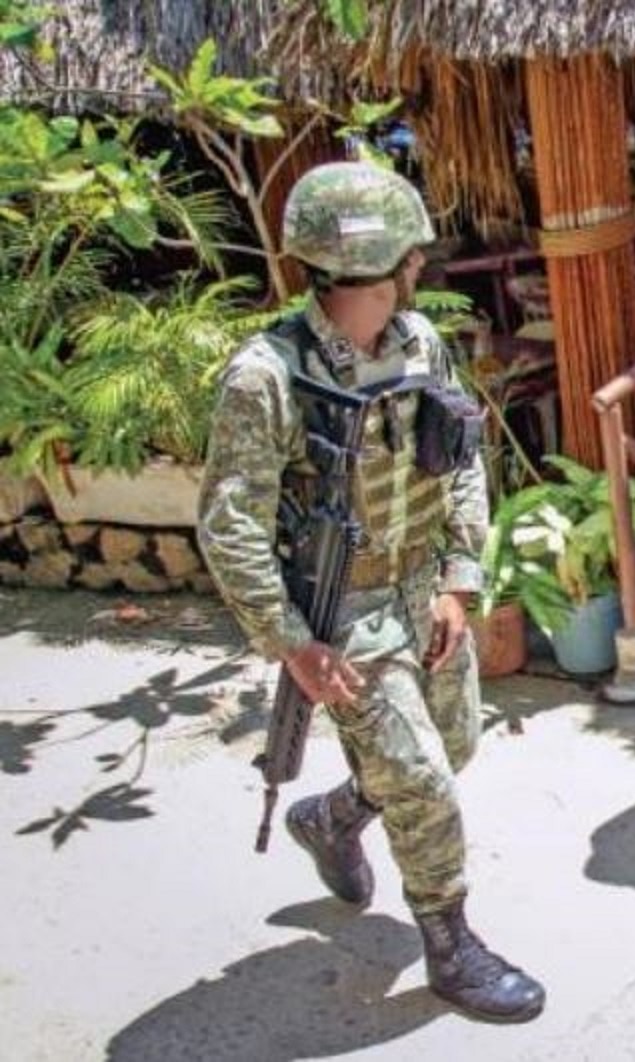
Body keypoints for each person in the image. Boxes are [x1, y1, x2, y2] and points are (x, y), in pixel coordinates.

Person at [197, 162, 545, 1023]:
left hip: (423, 594)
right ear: (389, 261)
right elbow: (229, 523)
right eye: (412, 254)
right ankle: (450, 939)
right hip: (344, 617)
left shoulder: (420, 346)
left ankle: (334, 817)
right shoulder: (266, 377)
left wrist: (462, 582)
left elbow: (461, 461)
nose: (420, 267)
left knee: (452, 747)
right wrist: (290, 641)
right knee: (424, 779)